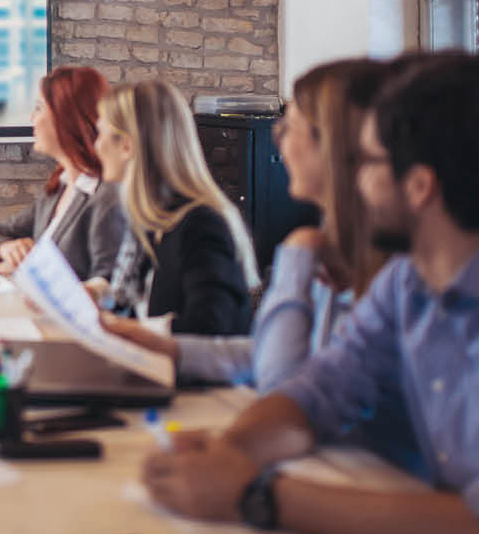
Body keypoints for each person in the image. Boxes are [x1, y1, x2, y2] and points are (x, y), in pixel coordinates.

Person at [140, 51, 479, 534]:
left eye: (368, 162)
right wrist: (228, 453)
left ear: (420, 186)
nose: (355, 180)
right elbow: (315, 393)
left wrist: (256, 493)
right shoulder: (410, 282)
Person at [103, 58, 390, 390]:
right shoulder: (329, 241)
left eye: (288, 126)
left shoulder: (370, 262)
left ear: (332, 145)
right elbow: (267, 356)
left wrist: (297, 259)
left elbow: (287, 382)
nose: (278, 139)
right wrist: (163, 345)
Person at [93, 80, 258, 336]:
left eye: (100, 134)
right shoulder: (152, 217)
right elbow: (130, 304)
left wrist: (122, 329)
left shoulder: (200, 224)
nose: (96, 146)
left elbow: (207, 329)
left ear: (127, 146)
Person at [0, 65, 127, 282]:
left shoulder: (107, 197)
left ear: (67, 118)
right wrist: (7, 248)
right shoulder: (59, 188)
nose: (33, 117)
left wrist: (30, 272)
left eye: (40, 108)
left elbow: (108, 287)